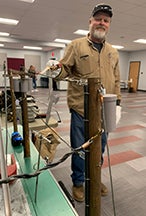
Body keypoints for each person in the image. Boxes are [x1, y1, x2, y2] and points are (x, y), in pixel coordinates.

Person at [49, 3, 121, 202]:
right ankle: (79, 182)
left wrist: (118, 104)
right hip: (81, 109)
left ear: (109, 25)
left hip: (104, 110)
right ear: (90, 22)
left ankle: (95, 179)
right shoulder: (76, 45)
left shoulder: (113, 52)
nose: (102, 23)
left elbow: (116, 79)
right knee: (80, 149)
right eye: (98, 19)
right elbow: (65, 70)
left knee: (100, 148)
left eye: (106, 20)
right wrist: (56, 69)